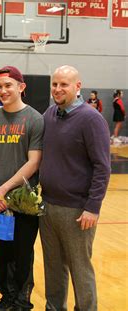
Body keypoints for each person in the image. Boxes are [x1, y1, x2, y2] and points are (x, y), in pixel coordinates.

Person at [39, 65, 111, 311]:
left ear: (78, 86)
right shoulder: (50, 113)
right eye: (55, 84)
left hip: (77, 211)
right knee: (53, 267)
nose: (57, 89)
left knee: (80, 269)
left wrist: (92, 208)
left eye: (64, 85)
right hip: (47, 206)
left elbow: (102, 167)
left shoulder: (92, 119)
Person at [0, 66, 44, 310]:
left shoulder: (35, 119)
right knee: (2, 251)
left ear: (21, 87)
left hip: (23, 201)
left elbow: (34, 161)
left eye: (8, 85)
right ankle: (6, 296)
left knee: (23, 252)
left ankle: (22, 300)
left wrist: (2, 188)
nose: (3, 90)